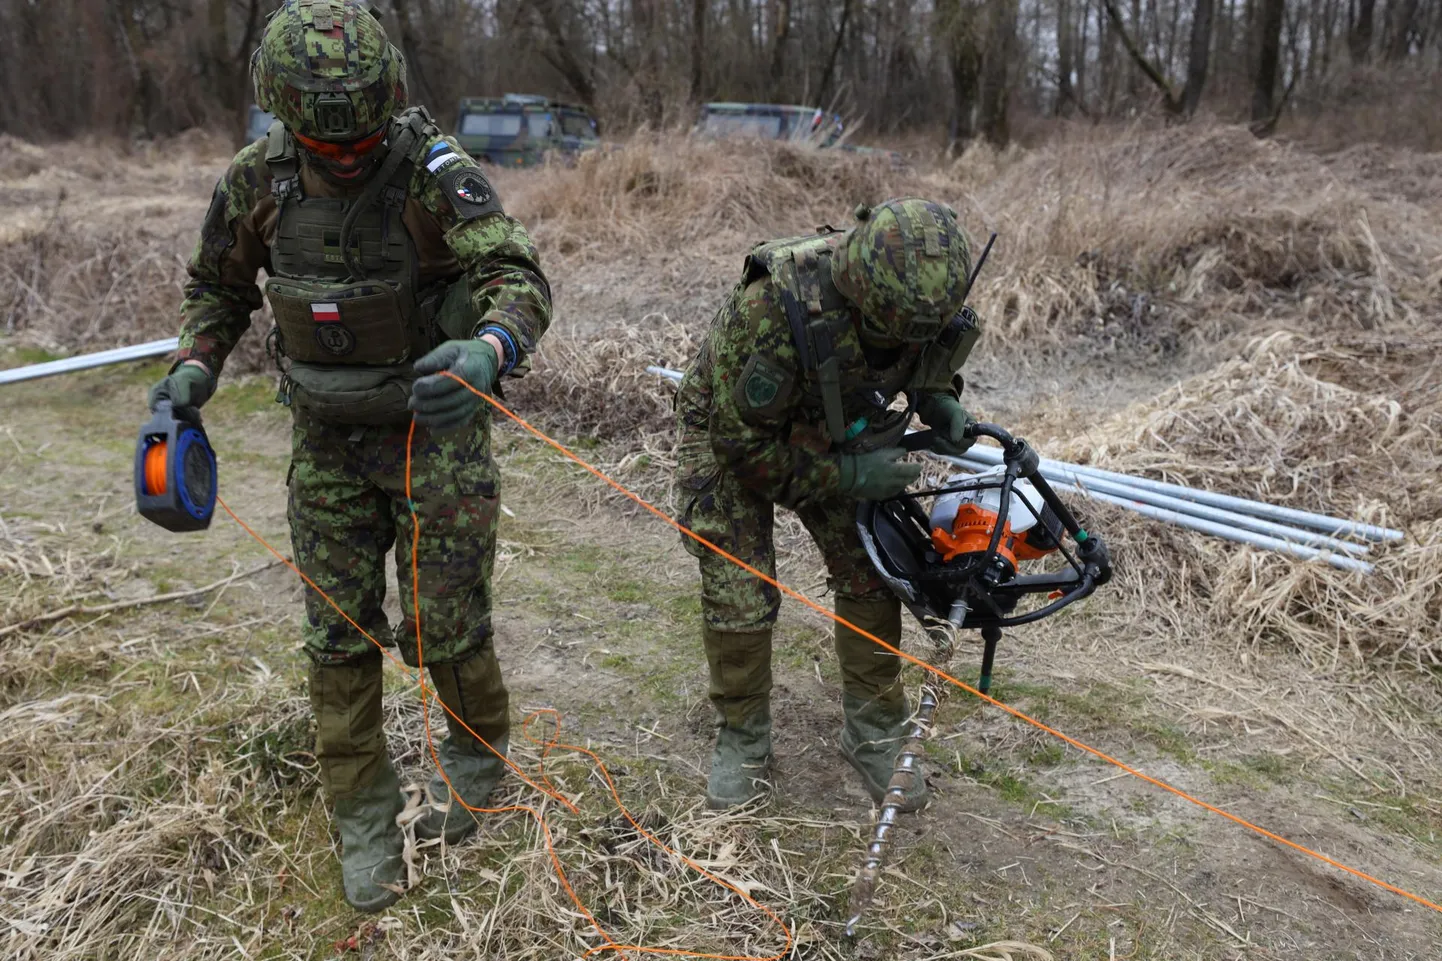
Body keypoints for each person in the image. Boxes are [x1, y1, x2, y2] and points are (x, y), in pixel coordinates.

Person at [147, 0, 551, 911]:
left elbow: (514, 275)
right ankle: (363, 811)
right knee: (337, 631)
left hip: (432, 439)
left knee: (447, 619)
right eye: (324, 145)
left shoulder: (435, 170)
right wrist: (194, 363)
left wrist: (490, 348)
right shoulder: (257, 179)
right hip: (325, 444)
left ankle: (475, 763)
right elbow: (215, 286)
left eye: (361, 140)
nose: (346, 157)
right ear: (282, 114)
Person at [673, 198, 981, 810]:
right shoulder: (774, 305)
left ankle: (872, 731)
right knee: (740, 583)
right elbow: (740, 445)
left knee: (873, 564)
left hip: (834, 420)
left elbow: (923, 361)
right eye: (894, 328)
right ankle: (743, 738)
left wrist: (939, 400)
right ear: (861, 293)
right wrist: (849, 475)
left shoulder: (923, 297)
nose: (905, 338)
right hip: (733, 431)